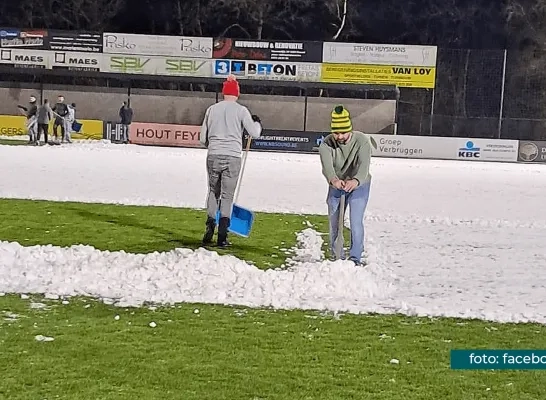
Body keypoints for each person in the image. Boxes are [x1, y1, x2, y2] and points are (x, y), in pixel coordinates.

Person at [199, 74, 262, 247]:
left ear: (223, 92)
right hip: (233, 156)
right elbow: (254, 133)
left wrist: (213, 145)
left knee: (213, 191)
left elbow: (202, 138)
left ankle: (210, 225)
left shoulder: (212, 110)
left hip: (214, 154)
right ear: (237, 93)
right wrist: (256, 123)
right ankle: (222, 235)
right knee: (227, 196)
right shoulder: (241, 110)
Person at [318, 104, 375, 266]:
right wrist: (334, 180)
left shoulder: (362, 141)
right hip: (337, 184)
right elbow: (327, 168)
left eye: (343, 132)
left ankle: (355, 257)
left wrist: (355, 181)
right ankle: (337, 255)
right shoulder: (326, 145)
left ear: (350, 129)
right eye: (336, 133)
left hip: (360, 184)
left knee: (355, 220)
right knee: (334, 220)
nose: (340, 136)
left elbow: (363, 168)